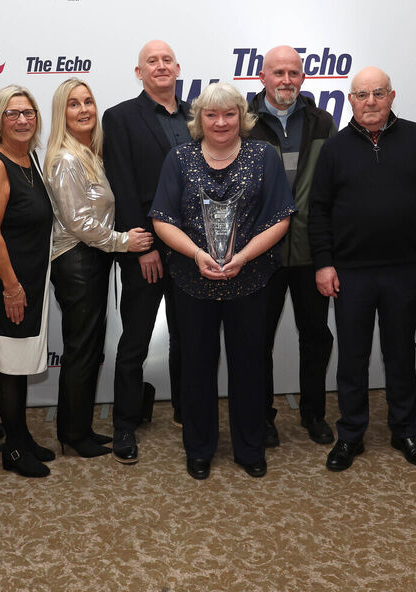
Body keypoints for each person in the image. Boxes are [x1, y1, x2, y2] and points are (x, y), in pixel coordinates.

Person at [309, 66, 416, 473]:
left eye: (378, 93)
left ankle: (404, 430)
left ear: (392, 96)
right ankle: (350, 434)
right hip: (350, 272)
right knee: (352, 358)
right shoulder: (334, 149)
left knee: (400, 354)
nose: (370, 101)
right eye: (361, 95)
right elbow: (318, 211)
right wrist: (324, 263)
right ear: (349, 100)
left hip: (404, 269)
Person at [149, 82, 295, 480]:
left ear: (241, 118)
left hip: (249, 280)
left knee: (249, 366)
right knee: (196, 367)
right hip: (193, 280)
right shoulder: (179, 158)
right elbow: (163, 218)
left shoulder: (263, 156)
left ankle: (249, 447)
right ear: (199, 120)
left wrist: (244, 257)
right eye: (211, 115)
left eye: (229, 113)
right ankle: (199, 448)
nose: (221, 122)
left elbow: (280, 216)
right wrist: (197, 254)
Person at [44, 78, 154, 459]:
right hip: (77, 260)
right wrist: (125, 241)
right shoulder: (65, 159)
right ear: (63, 113)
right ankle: (73, 435)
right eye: (73, 104)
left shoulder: (89, 153)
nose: (84, 109)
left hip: (91, 258)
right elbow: (79, 222)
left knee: (87, 348)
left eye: (88, 101)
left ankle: (80, 429)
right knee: (80, 350)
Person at [102, 40, 194, 463]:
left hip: (195, 251)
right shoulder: (120, 118)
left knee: (188, 338)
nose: (160, 66)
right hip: (147, 252)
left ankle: (185, 412)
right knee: (135, 340)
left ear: (178, 68)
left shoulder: (200, 114)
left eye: (167, 60)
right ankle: (124, 424)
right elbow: (121, 183)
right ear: (139, 73)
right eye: (151, 62)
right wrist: (143, 247)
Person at [247, 45, 337, 447]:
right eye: (277, 73)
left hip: (309, 251)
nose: (286, 81)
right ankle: (261, 417)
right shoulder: (242, 121)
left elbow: (332, 189)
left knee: (316, 336)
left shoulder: (322, 121)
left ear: (303, 78)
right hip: (258, 254)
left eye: (294, 73)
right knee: (256, 340)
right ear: (261, 77)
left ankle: (313, 413)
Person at [0, 84, 58, 478]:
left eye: (28, 113)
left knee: (20, 362)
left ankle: (21, 437)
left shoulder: (30, 159)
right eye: (12, 113)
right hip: (8, 283)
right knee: (9, 364)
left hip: (31, 280)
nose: (22, 120)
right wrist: (11, 286)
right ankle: (15, 449)